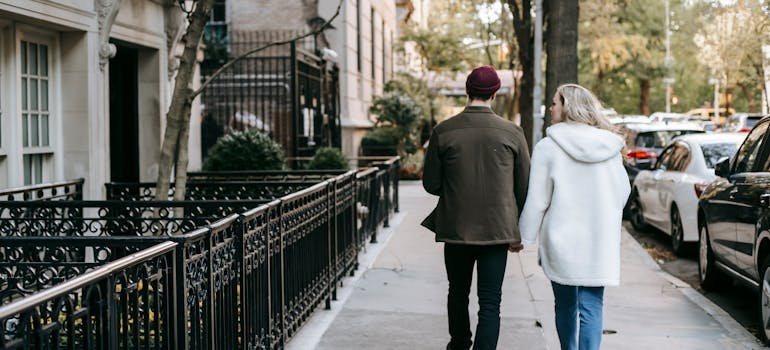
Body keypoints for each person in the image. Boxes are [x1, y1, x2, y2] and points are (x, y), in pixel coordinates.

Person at [422, 65, 531, 350]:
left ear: (467, 91)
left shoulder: (443, 131)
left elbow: (431, 184)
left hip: (457, 228)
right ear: (495, 94)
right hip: (498, 230)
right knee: (491, 301)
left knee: (457, 292)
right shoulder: (513, 132)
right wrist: (518, 231)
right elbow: (524, 188)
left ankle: (459, 344)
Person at [519, 84, 630, 350]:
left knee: (565, 304)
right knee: (592, 305)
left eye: (554, 103)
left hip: (561, 239)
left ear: (568, 106)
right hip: (599, 239)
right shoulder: (608, 146)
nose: (550, 108)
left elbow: (538, 199)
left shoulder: (548, 147)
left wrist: (523, 236)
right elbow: (622, 192)